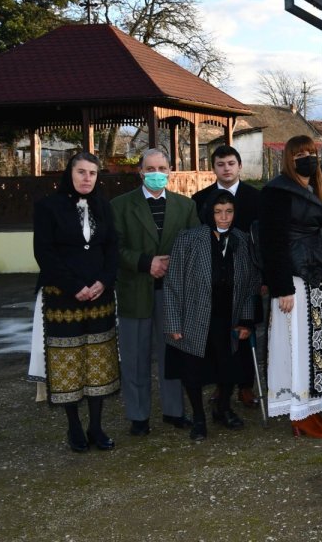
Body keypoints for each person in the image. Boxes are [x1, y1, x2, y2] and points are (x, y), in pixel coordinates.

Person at [31, 153, 121, 452]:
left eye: (93, 173)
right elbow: (45, 253)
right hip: (62, 298)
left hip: (99, 297)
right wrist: (75, 287)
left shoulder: (103, 206)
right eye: (81, 172)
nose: (87, 178)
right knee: (68, 362)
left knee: (98, 362)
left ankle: (96, 427)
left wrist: (103, 281)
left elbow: (112, 248)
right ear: (69, 174)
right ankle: (74, 428)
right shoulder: (48, 207)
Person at [259, 135, 322, 437]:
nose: (308, 157)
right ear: (288, 159)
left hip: (315, 273)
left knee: (315, 343)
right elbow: (272, 243)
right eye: (300, 154)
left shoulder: (314, 188)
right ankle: (298, 413)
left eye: (312, 152)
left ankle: (313, 407)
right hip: (293, 278)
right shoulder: (277, 192)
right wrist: (282, 288)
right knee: (296, 344)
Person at [112, 147, 199, 436]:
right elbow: (114, 248)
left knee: (172, 354)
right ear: (140, 172)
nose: (157, 174)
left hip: (172, 294)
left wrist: (173, 263)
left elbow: (195, 244)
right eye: (150, 169)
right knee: (135, 356)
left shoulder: (185, 206)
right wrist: (145, 263)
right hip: (135, 291)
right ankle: (138, 416)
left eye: (162, 169)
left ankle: (174, 411)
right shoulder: (120, 206)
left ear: (171, 171)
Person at [163, 192, 260, 441]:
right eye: (218, 212)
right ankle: (198, 418)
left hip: (228, 317)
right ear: (209, 213)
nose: (224, 217)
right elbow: (173, 284)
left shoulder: (241, 239)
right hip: (194, 318)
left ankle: (222, 408)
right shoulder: (189, 239)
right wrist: (174, 323)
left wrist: (246, 322)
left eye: (229, 211)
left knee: (228, 369)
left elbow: (250, 286)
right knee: (193, 371)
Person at [191, 144, 262, 409]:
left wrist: (262, 277)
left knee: (245, 332)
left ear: (239, 166)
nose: (226, 169)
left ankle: (245, 386)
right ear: (214, 168)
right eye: (221, 164)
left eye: (231, 163)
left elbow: (262, 240)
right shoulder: (200, 199)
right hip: (215, 280)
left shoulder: (256, 198)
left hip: (248, 277)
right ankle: (222, 387)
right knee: (218, 336)